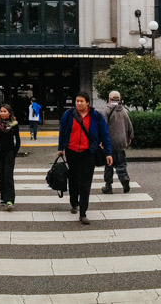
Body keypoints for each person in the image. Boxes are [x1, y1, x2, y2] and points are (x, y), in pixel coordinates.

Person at [57, 92, 112, 225]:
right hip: (72, 151)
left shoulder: (96, 116)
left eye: (82, 101)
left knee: (85, 183)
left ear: (87, 103)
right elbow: (63, 130)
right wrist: (60, 148)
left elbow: (105, 134)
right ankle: (74, 203)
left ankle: (83, 212)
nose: (79, 103)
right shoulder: (69, 115)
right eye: (77, 101)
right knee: (74, 179)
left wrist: (108, 153)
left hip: (88, 153)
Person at [101, 91, 133, 194]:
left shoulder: (106, 110)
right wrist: (129, 137)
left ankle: (108, 186)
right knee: (121, 163)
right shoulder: (123, 110)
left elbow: (103, 126)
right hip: (121, 141)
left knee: (108, 164)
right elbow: (129, 125)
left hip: (109, 142)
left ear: (109, 99)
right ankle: (124, 179)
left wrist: (101, 140)